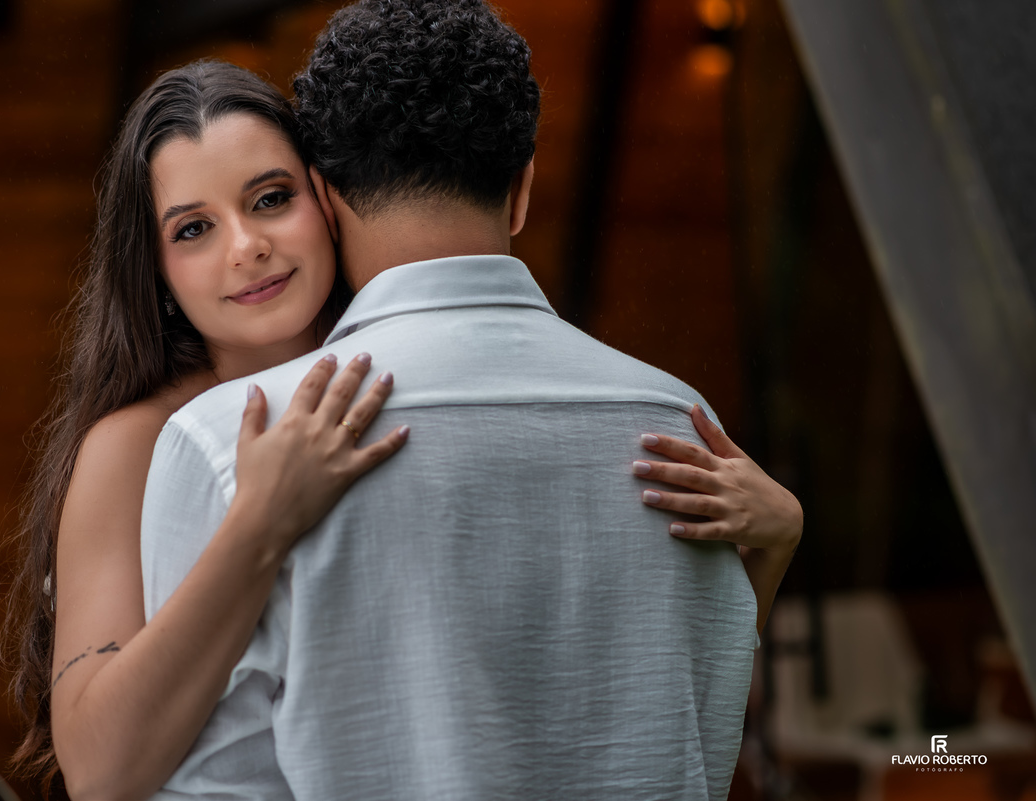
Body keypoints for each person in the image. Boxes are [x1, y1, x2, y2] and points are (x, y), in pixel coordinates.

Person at [138, 2, 801, 800]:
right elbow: (701, 738)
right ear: (522, 187)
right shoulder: (688, 433)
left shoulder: (227, 439)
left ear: (325, 194)